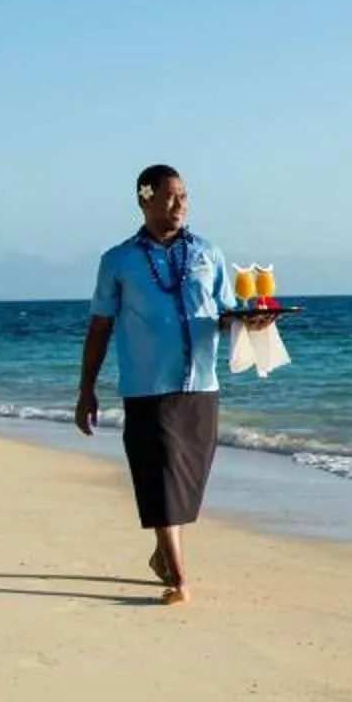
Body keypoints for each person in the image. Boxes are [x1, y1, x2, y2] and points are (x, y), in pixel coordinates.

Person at [75, 164, 243, 601]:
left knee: (187, 481)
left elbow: (227, 314)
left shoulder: (209, 252)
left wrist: (253, 321)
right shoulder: (118, 261)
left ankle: (161, 552)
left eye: (185, 195)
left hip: (201, 385)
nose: (180, 204)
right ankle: (179, 578)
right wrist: (85, 388)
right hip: (147, 388)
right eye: (170, 196)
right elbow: (100, 326)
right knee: (161, 478)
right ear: (144, 198)